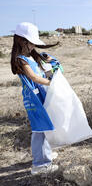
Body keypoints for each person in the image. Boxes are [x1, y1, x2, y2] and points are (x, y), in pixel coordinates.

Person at [10, 22, 59, 175]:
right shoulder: (21, 59)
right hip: (34, 100)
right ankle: (40, 164)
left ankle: (46, 153)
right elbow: (34, 78)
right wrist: (52, 83)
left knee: (45, 126)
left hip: (40, 96)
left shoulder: (30, 56)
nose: (32, 46)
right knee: (39, 129)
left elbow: (43, 71)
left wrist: (51, 62)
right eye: (31, 42)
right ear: (21, 40)